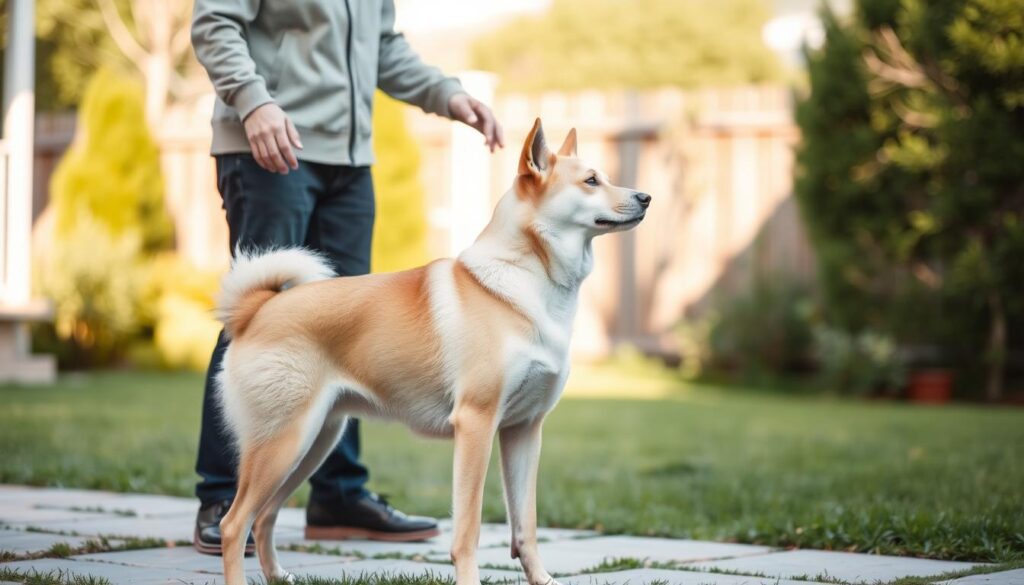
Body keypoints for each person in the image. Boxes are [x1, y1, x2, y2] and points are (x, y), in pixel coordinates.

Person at [189, 0, 504, 554]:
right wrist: (253, 101)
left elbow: (382, 45)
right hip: (267, 143)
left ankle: (336, 495)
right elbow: (214, 22)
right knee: (261, 318)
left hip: (350, 163)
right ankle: (222, 497)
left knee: (353, 329)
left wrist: (445, 94)